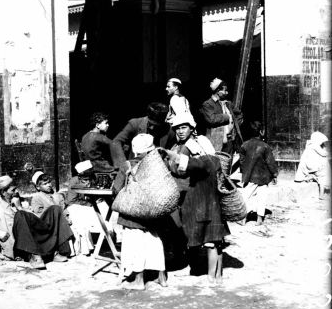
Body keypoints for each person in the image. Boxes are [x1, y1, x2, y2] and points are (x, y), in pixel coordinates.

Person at [161, 113, 228, 286]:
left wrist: (171, 158)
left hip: (197, 195)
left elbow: (182, 168)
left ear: (192, 128)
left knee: (203, 235)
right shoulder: (181, 145)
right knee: (204, 236)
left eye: (184, 127)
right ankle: (208, 272)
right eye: (177, 128)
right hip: (191, 194)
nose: (180, 131)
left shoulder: (196, 146)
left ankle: (205, 272)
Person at [112, 134, 167, 290]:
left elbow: (117, 188)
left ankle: (138, 280)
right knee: (154, 242)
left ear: (135, 149)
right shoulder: (158, 165)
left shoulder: (128, 165)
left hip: (133, 215)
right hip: (153, 213)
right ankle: (161, 277)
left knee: (134, 244)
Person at [0, 175, 73, 269]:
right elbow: (6, 233)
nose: (16, 192)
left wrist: (22, 207)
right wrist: (19, 208)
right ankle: (34, 256)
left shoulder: (16, 200)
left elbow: (33, 216)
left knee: (54, 209)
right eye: (13, 190)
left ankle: (55, 251)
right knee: (20, 214)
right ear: (3, 192)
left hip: (33, 233)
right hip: (23, 243)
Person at [65, 160, 115, 255]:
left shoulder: (93, 178)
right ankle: (88, 246)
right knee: (85, 214)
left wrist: (98, 199)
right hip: (75, 206)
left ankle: (108, 236)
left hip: (90, 204)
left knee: (105, 207)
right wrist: (89, 203)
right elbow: (71, 200)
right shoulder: (74, 181)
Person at [110, 101, 172, 170]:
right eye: (150, 124)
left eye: (156, 126)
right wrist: (123, 165)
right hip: (135, 167)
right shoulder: (134, 124)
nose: (152, 128)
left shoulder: (168, 130)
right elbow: (116, 142)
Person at [239, 121, 279, 225]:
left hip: (250, 176)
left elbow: (242, 162)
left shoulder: (244, 145)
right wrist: (274, 174)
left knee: (246, 196)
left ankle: (243, 218)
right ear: (261, 132)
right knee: (262, 196)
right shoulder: (265, 146)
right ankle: (259, 219)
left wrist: (244, 172)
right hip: (263, 176)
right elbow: (270, 162)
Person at [199, 78, 242, 154]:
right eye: (225, 90)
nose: (227, 93)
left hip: (230, 141)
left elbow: (239, 114)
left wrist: (235, 125)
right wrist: (227, 117)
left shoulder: (228, 103)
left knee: (227, 162)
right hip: (215, 140)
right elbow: (211, 119)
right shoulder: (208, 104)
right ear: (218, 91)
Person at [295, 131, 331, 199]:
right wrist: (325, 148)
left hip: (308, 166)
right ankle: (321, 195)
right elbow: (324, 153)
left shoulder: (310, 145)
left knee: (323, 169)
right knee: (323, 174)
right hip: (311, 166)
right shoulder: (315, 145)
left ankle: (312, 178)